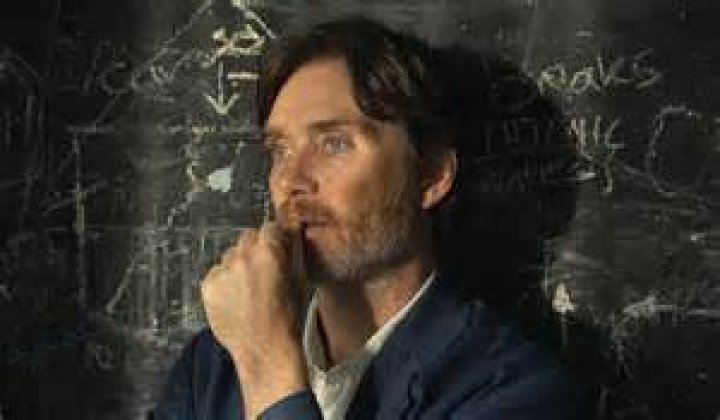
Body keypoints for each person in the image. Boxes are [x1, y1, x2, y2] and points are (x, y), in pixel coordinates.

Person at [151, 16, 590, 419]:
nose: (291, 180)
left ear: (432, 175)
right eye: (280, 150)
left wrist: (268, 367)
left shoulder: (515, 390)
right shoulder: (213, 366)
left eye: (334, 144)